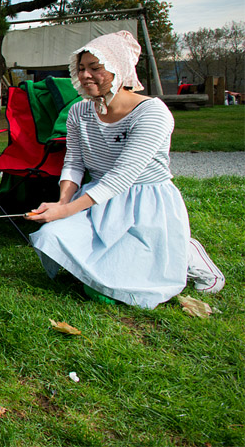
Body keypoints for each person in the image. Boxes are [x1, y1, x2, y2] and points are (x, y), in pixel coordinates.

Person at [27, 31, 225, 307]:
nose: (85, 75)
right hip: (97, 200)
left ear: (118, 68)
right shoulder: (78, 112)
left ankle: (186, 251)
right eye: (81, 68)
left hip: (144, 204)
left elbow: (122, 176)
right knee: (51, 236)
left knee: (130, 284)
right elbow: (74, 162)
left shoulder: (152, 113)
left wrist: (68, 210)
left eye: (95, 68)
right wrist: (62, 202)